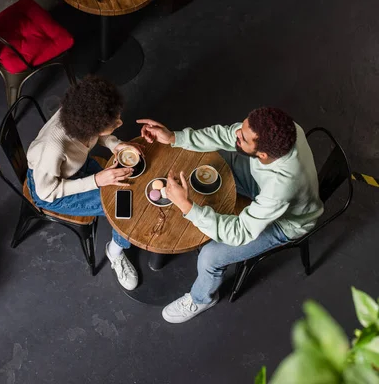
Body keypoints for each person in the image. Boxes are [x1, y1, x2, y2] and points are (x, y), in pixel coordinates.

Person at [138, 108, 323, 323]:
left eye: (242, 137)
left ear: (262, 155)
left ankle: (202, 298)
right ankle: (209, 212)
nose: (236, 133)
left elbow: (240, 232)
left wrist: (186, 206)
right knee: (218, 156)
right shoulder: (286, 131)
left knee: (209, 257)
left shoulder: (281, 186)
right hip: (263, 187)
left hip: (287, 222)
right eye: (242, 128)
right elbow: (225, 135)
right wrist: (173, 137)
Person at [27, 75, 140, 290]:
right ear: (93, 124)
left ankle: (117, 243)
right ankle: (115, 252)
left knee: (130, 186)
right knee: (126, 209)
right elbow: (45, 193)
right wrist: (97, 180)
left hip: (76, 169)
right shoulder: (54, 148)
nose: (120, 123)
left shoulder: (79, 117)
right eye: (114, 123)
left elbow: (100, 134)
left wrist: (116, 145)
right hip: (54, 191)